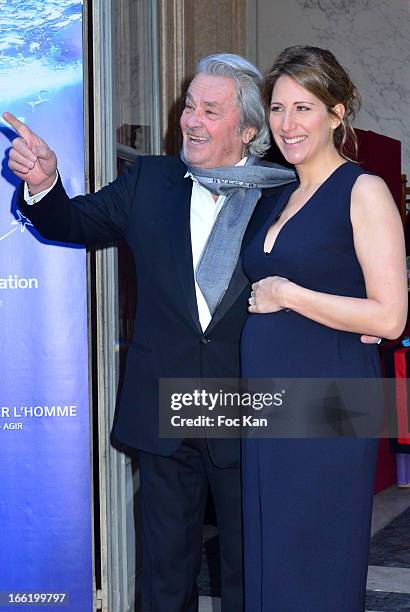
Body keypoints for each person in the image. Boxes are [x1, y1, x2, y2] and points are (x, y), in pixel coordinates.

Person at [3, 54, 297, 612]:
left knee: (250, 570)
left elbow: (317, 270)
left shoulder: (282, 196)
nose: (191, 120)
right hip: (167, 407)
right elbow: (73, 222)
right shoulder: (150, 180)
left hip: (249, 406)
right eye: (189, 105)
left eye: (211, 110)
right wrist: (44, 184)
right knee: (164, 575)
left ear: (250, 131)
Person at [240, 45, 408, 611]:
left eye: (304, 108)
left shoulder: (364, 190)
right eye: (278, 108)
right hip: (267, 404)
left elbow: (390, 316)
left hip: (333, 401)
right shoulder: (277, 195)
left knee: (314, 560)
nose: (287, 124)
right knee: (271, 556)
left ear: (337, 113)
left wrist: (289, 294)